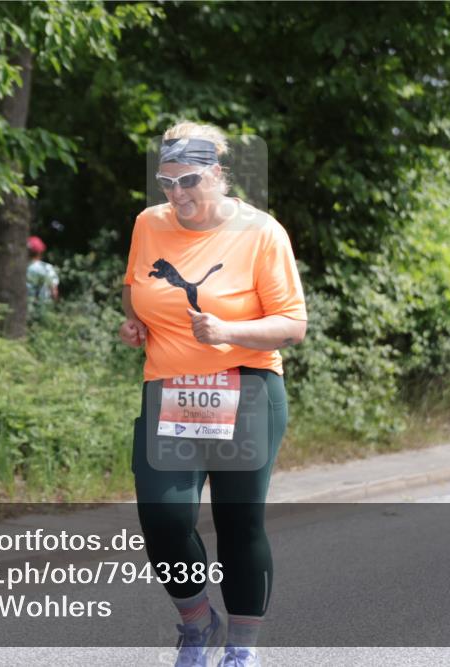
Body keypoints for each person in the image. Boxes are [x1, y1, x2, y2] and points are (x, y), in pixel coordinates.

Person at [120, 121, 306, 667]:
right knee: (163, 517)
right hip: (171, 391)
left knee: (238, 521)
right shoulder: (149, 224)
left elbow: (293, 324)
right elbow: (136, 291)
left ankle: (242, 650)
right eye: (167, 182)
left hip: (246, 387)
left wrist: (229, 332)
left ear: (219, 175)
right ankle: (197, 621)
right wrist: (134, 324)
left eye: (190, 181)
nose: (178, 195)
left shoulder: (261, 232)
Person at [26, 235, 59, 305]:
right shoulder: (47, 268)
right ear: (40, 252)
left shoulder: (19, 268)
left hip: (25, 307)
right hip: (43, 307)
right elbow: (54, 291)